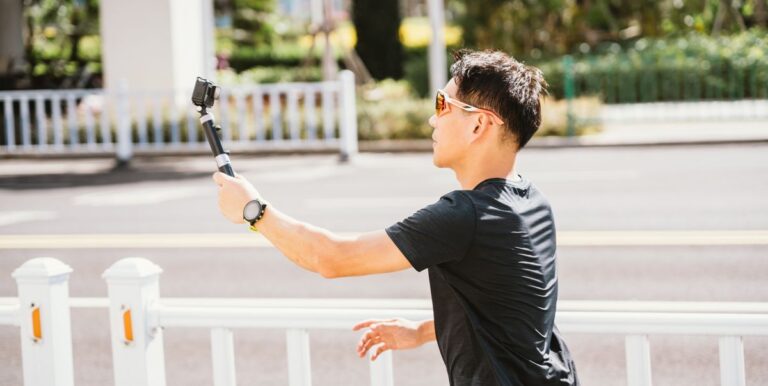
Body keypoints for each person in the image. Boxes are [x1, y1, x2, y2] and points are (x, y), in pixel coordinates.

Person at [213, 49, 579, 386]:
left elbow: (333, 257)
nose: (432, 118)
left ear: (479, 125)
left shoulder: (465, 216)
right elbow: (509, 313)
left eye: (442, 104)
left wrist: (254, 211)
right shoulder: (532, 202)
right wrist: (422, 331)